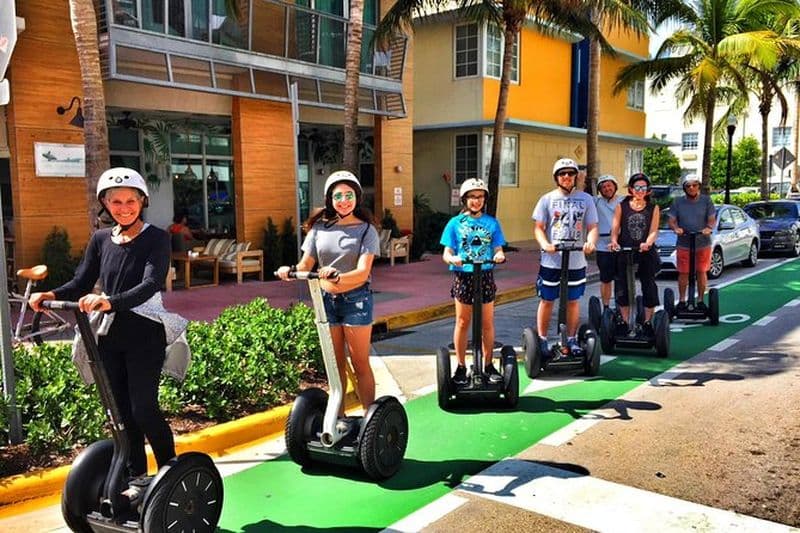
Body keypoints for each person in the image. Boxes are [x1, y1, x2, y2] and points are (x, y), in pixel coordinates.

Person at [29, 167, 175, 482]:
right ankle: (137, 478)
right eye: (116, 202)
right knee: (121, 415)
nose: (124, 208)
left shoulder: (157, 239)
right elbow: (82, 281)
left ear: (142, 201)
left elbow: (151, 283)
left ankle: (171, 474)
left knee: (144, 410)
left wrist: (111, 301)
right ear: (105, 205)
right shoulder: (100, 240)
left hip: (146, 335)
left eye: (130, 201)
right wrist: (50, 294)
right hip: (109, 338)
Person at [277, 170, 380, 413]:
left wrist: (337, 276)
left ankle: (370, 419)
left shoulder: (367, 230)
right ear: (329, 200)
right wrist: (290, 270)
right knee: (334, 365)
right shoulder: (318, 229)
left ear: (356, 197)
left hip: (356, 300)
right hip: (325, 301)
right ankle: (339, 417)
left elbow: (363, 272)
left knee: (359, 362)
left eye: (348, 195)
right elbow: (305, 265)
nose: (343, 200)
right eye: (338, 196)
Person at [440, 178, 507, 385]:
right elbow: (447, 252)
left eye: (479, 197)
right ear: (465, 200)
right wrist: (452, 258)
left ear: (484, 199)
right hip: (464, 275)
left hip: (485, 274)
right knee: (462, 321)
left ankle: (488, 364)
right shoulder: (455, 224)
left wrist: (499, 255)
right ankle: (460, 366)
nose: (476, 201)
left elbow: (498, 248)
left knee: (487, 322)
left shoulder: (492, 223)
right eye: (472, 197)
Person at [533, 158, 598, 357]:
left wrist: (590, 242)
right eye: (563, 174)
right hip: (551, 261)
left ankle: (570, 338)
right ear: (557, 178)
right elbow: (538, 228)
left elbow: (593, 227)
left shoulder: (586, 199)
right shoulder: (547, 199)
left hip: (577, 260)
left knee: (572, 300)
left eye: (571, 173)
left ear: (576, 176)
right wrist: (545, 244)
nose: (567, 177)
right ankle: (542, 339)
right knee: (547, 299)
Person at [609, 173, 661, 334]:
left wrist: (648, 243)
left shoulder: (653, 207)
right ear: (631, 189)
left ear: (647, 190)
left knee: (649, 284)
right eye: (637, 187)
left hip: (645, 251)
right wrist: (614, 241)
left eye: (643, 187)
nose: (640, 190)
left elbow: (653, 230)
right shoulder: (621, 206)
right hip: (625, 251)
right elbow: (615, 228)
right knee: (622, 286)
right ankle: (625, 322)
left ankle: (646, 322)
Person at [668, 174, 716, 311]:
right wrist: (676, 228)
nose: (691, 188)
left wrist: (708, 228)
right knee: (683, 272)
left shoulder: (706, 201)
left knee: (701, 271)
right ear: (684, 188)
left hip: (702, 242)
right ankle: (682, 300)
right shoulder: (678, 202)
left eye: (694, 185)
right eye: (688, 186)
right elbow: (671, 220)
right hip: (684, 242)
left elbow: (712, 218)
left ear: (698, 186)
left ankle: (700, 300)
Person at [594, 174, 623, 312]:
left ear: (615, 186)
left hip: (620, 245)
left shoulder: (623, 201)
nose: (607, 189)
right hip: (602, 246)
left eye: (609, 185)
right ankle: (606, 307)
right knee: (605, 279)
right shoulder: (596, 202)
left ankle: (620, 305)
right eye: (603, 187)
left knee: (621, 278)